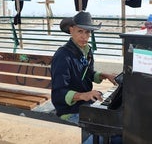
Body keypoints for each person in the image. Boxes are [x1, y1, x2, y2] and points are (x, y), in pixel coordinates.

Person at [51, 11, 120, 143]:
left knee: (114, 127)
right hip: (69, 110)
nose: (84, 37)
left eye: (87, 32)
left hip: (86, 105)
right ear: (71, 30)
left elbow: (87, 73)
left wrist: (105, 75)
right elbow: (59, 93)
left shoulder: (87, 51)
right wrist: (84, 95)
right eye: (80, 31)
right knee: (104, 134)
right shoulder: (63, 56)